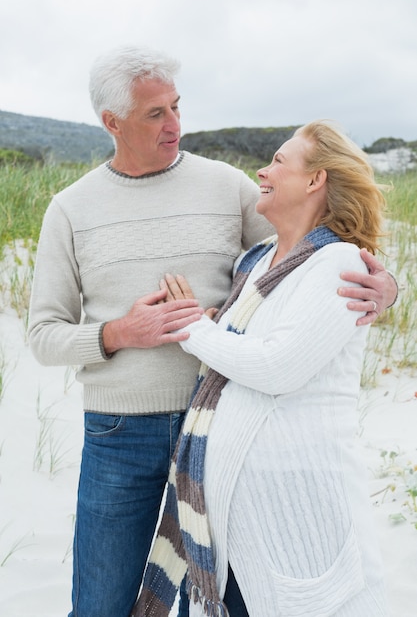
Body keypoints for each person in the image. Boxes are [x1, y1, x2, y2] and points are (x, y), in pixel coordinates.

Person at [27, 43, 395, 617]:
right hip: (119, 435)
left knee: (222, 598)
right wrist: (121, 332)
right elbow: (43, 335)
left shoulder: (226, 186)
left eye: (177, 106)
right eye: (156, 114)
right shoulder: (69, 210)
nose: (176, 125)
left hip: (225, 431)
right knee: (101, 604)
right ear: (112, 122)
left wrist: (386, 284)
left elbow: (311, 238)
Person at [136, 120, 390, 617]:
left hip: (295, 515)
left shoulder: (338, 263)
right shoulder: (257, 262)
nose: (262, 170)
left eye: (278, 161)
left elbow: (278, 366)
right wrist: (211, 328)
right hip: (234, 517)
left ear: (315, 180)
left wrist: (194, 330)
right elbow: (244, 346)